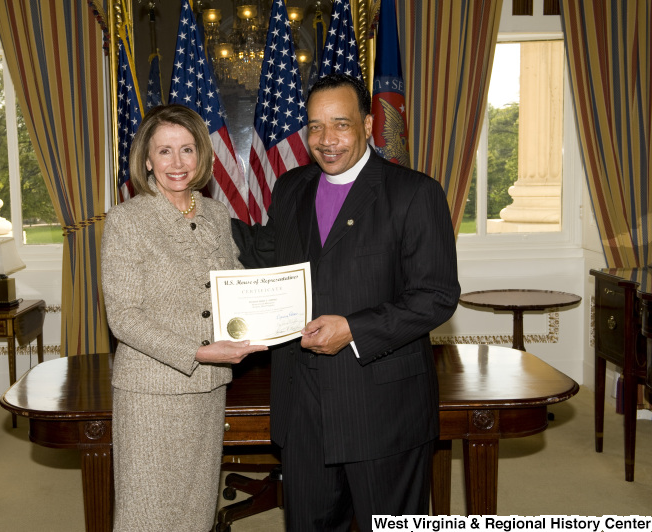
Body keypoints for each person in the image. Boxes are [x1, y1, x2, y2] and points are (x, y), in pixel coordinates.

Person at [232, 74, 460, 530]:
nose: (326, 140)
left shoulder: (415, 193)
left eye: (340, 124)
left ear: (369, 125)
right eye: (315, 126)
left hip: (382, 407)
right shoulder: (291, 186)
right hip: (303, 408)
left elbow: (436, 296)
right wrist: (192, 215)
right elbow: (265, 253)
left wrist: (354, 328)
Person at [101, 104, 267, 532]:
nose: (177, 163)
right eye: (165, 151)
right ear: (146, 160)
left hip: (209, 387)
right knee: (148, 512)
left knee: (196, 509)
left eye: (187, 150)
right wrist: (196, 350)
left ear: (202, 155)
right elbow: (123, 316)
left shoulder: (215, 214)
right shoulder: (126, 220)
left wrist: (273, 309)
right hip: (151, 393)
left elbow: (234, 283)